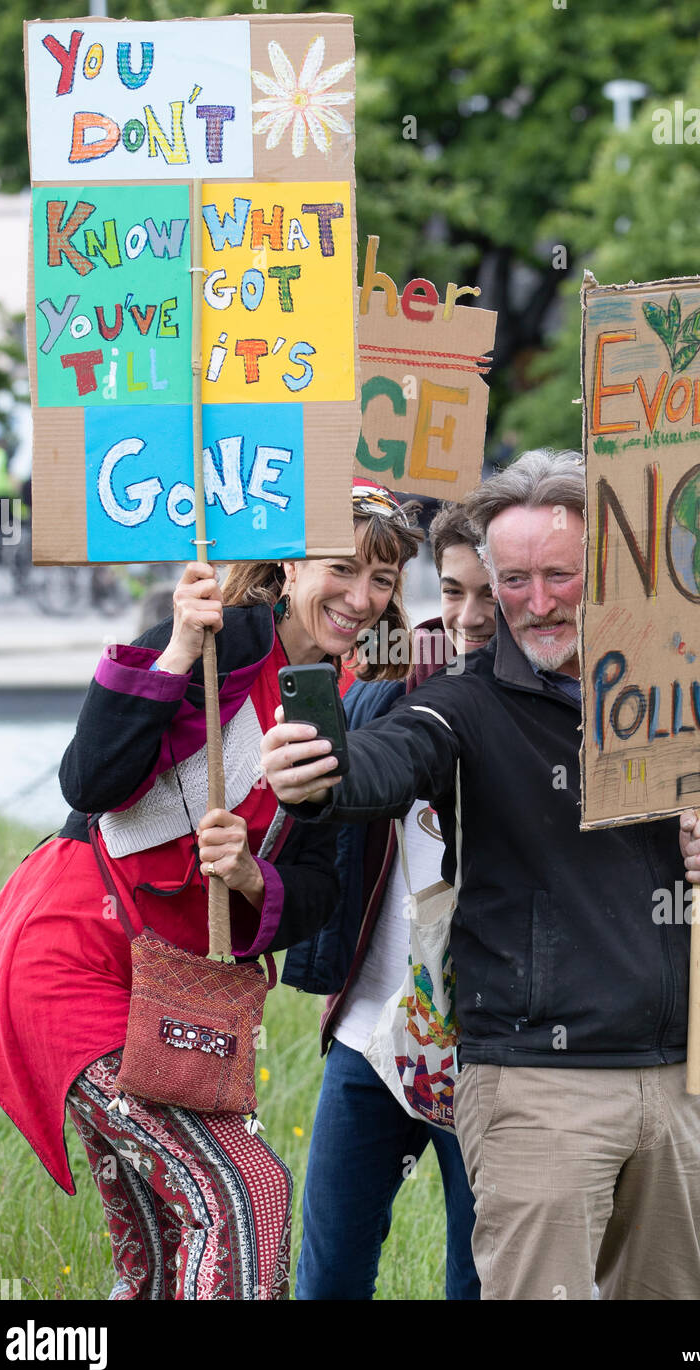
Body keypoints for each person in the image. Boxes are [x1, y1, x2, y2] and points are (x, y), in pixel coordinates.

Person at [260, 449, 700, 1302]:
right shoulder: (463, 699)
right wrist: (321, 770)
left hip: (677, 1076)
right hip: (536, 1083)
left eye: (558, 575)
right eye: (512, 578)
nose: (533, 602)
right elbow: (390, 755)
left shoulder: (678, 687)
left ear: (606, 568)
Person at [0, 481, 420, 1301]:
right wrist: (173, 654)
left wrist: (249, 875)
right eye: (342, 568)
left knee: (162, 1239)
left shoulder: (337, 703)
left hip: (165, 989)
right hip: (71, 953)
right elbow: (90, 780)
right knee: (243, 1194)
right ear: (288, 561)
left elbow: (313, 890)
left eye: (382, 579)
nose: (361, 597)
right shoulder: (222, 638)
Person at [283, 501, 495, 1301]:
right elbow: (356, 753)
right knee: (328, 1274)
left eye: (493, 593)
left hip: (490, 1049)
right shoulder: (404, 675)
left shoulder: (560, 701)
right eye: (450, 591)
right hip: (374, 1030)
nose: (469, 616)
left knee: (477, 1277)